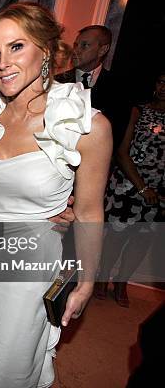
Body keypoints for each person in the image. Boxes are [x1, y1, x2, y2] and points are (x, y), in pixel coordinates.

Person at [0, 2, 112, 387]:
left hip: (29, 270)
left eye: (16, 47)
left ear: (46, 50)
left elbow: (89, 211)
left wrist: (87, 282)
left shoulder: (85, 123)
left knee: (10, 362)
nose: (2, 62)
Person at [99, 71, 165, 306]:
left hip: (159, 191)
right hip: (128, 185)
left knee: (142, 239)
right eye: (160, 81)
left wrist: (154, 191)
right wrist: (142, 187)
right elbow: (121, 152)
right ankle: (102, 277)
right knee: (116, 236)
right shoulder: (138, 110)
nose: (163, 87)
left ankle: (121, 282)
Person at [56, 25, 127, 149]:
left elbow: (117, 136)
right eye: (76, 45)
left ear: (102, 50)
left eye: (84, 45)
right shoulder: (58, 82)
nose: (76, 51)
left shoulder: (119, 88)